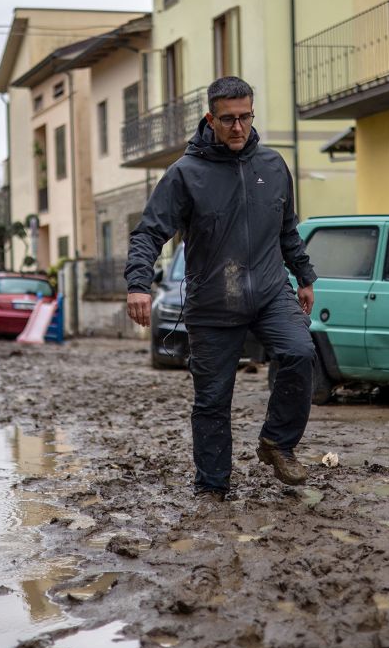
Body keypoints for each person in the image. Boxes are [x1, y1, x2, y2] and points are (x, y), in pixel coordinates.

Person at [125, 76, 318, 504]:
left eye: (245, 117)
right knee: (213, 399)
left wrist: (304, 277)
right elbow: (148, 233)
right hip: (213, 302)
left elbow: (287, 229)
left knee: (300, 353)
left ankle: (277, 443)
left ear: (252, 114)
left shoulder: (272, 166)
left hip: (270, 292)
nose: (237, 127)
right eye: (228, 119)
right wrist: (138, 285)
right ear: (210, 119)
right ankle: (212, 487)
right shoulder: (185, 174)